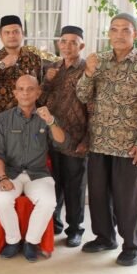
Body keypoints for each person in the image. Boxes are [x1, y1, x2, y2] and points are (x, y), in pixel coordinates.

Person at [76, 13, 137, 266]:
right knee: (99, 195)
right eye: (114, 29)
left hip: (131, 146)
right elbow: (82, 96)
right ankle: (105, 237)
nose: (118, 34)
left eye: (125, 30)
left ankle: (132, 245)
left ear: (134, 34)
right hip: (100, 141)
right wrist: (89, 72)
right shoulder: (99, 61)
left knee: (129, 199)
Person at [0, 75, 65, 262]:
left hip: (38, 174)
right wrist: (2, 178)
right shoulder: (2, 119)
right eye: (21, 89)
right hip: (10, 173)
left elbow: (61, 141)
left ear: (38, 92)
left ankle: (31, 242)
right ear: (15, 93)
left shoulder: (46, 117)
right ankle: (13, 241)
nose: (25, 93)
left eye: (30, 89)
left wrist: (50, 121)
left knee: (48, 202)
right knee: (2, 201)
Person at [40, 25, 89, 247]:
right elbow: (39, 100)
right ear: (58, 44)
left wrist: (87, 139)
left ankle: (75, 229)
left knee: (74, 185)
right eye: (63, 41)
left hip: (75, 138)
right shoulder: (51, 68)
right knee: (53, 183)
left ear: (81, 45)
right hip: (50, 137)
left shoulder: (88, 69)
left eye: (73, 41)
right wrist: (47, 81)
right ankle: (55, 223)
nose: (67, 45)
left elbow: (94, 106)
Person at [0, 15, 42, 116]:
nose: (12, 36)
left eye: (16, 32)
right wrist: (0, 65)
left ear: (22, 34)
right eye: (7, 32)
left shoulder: (34, 59)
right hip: (0, 120)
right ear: (1, 36)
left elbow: (40, 89)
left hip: (29, 118)